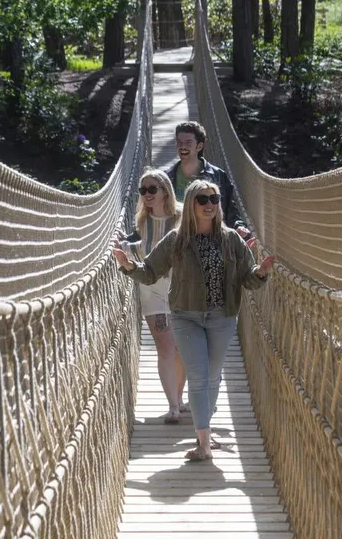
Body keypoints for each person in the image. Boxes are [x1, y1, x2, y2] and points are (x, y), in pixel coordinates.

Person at [112, 180, 275, 462]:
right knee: (199, 377)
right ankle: (203, 442)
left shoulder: (231, 239)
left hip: (222, 317)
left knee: (212, 377)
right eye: (202, 199)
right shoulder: (176, 240)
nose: (209, 204)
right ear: (190, 204)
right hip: (186, 316)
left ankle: (205, 433)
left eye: (214, 198)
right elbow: (150, 272)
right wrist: (128, 266)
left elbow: (248, 280)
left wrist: (260, 272)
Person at [118, 169, 188, 423]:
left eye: (151, 189)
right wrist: (121, 248)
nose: (147, 195)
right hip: (151, 289)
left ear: (165, 191)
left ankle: (179, 399)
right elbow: (133, 246)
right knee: (166, 346)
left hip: (181, 288)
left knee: (181, 348)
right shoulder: (140, 222)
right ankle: (172, 405)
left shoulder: (183, 217)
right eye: (143, 190)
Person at [166, 121, 254, 244]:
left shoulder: (217, 176)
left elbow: (229, 210)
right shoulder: (167, 178)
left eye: (188, 142)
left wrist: (238, 226)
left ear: (199, 146)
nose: (182, 146)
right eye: (179, 142)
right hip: (177, 242)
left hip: (212, 242)